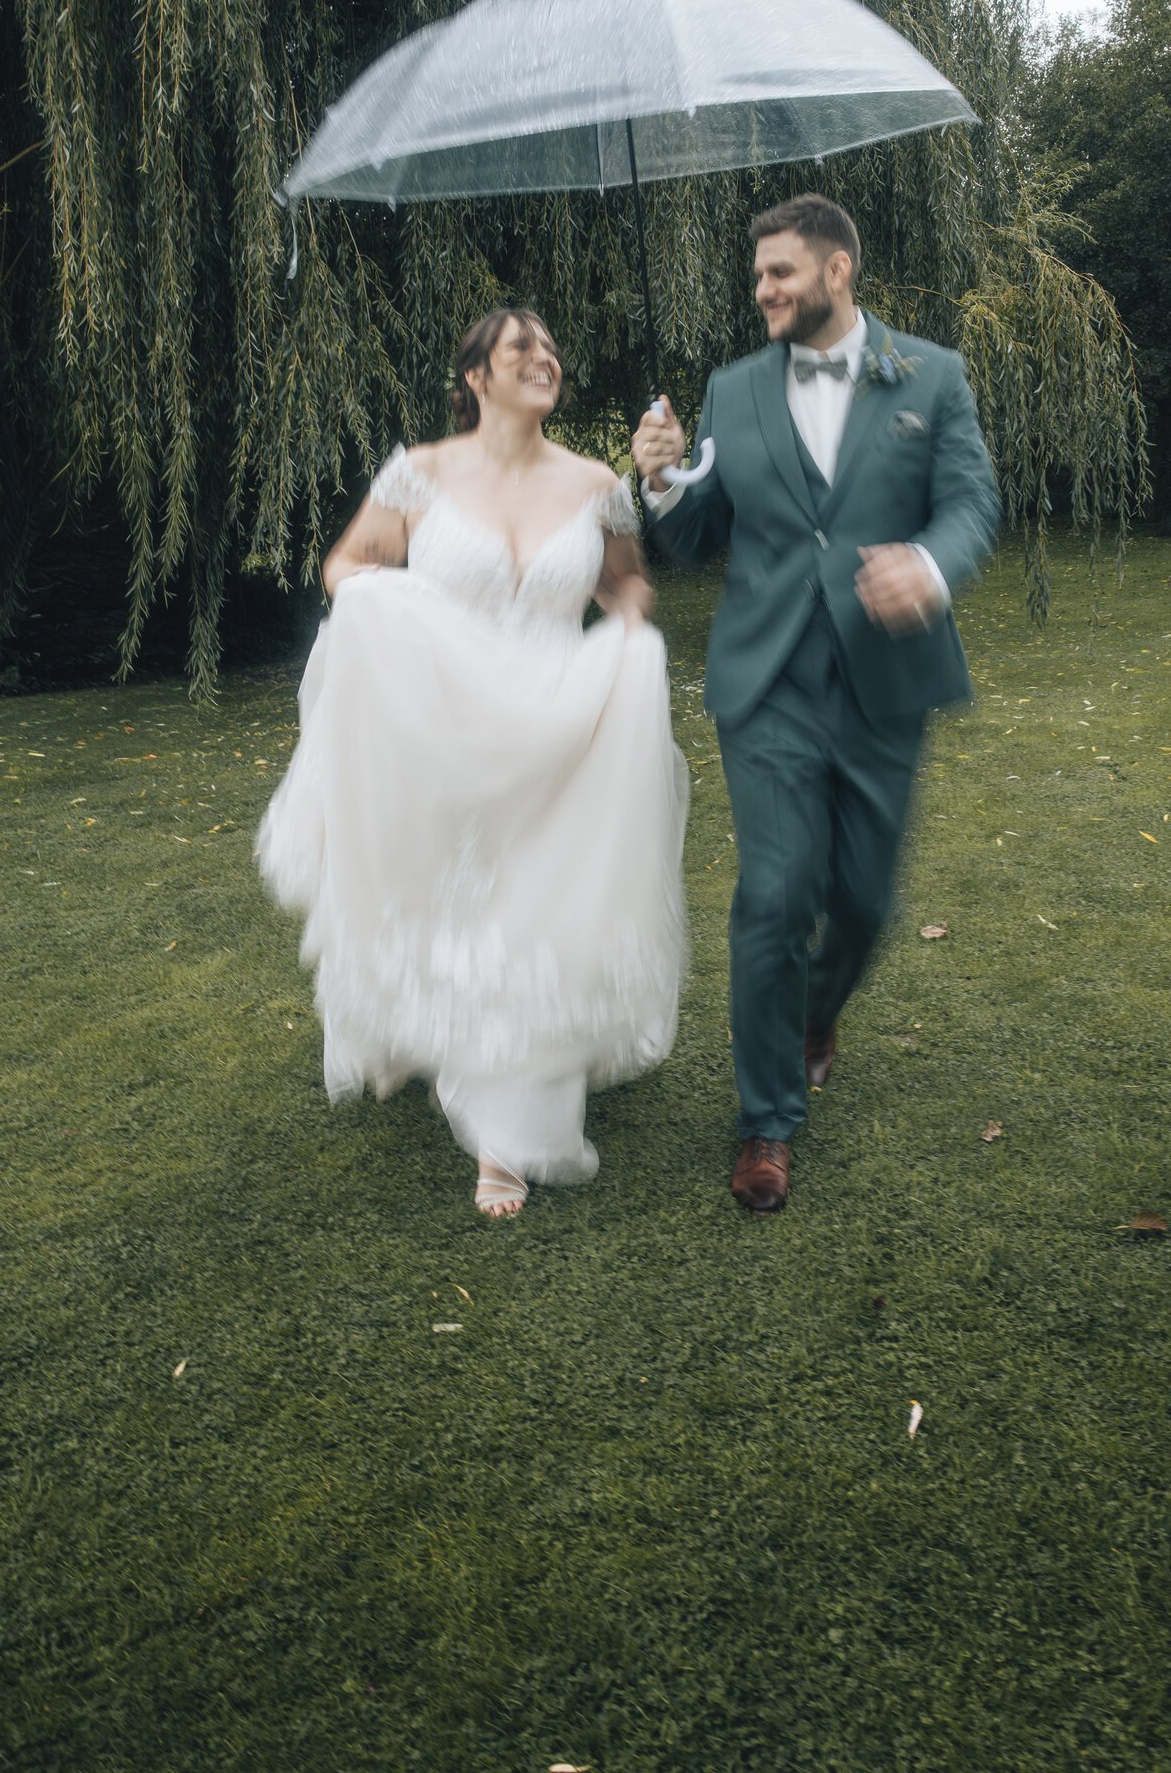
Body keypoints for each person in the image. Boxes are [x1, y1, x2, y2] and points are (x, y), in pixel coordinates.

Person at [257, 308, 688, 1218]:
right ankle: (422, 1031)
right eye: (520, 346)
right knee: (447, 889)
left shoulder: (596, 482)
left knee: (532, 906)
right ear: (475, 378)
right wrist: (405, 620)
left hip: (552, 722)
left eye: (551, 347)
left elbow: (624, 581)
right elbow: (349, 569)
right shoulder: (418, 473)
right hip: (443, 717)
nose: (544, 357)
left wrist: (629, 635)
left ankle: (508, 1129)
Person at [632, 194, 1000, 1214]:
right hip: (767, 683)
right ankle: (764, 1122)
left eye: (780, 273)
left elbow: (972, 503)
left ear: (837, 270)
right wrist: (662, 484)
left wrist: (928, 565)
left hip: (884, 680)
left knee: (862, 901)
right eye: (756, 277)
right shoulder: (728, 388)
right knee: (772, 895)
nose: (762, 291)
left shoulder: (931, 376)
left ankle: (818, 1013)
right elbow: (697, 533)